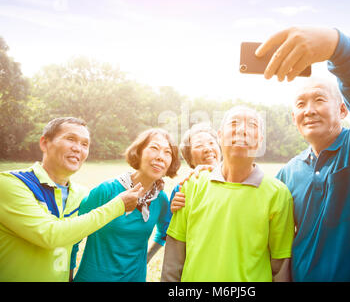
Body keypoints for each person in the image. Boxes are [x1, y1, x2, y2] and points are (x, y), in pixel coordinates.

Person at [255, 26, 350, 281]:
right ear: (294, 118)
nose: (309, 110)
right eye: (301, 104)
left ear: (343, 110)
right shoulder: (287, 173)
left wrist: (337, 47)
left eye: (319, 100)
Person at [161, 106, 295, 282]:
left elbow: (281, 265)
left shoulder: (278, 194)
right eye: (234, 123)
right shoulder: (191, 185)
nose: (242, 130)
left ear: (260, 140)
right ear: (220, 135)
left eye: (252, 125)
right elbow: (174, 259)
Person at [0, 117, 141, 282]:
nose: (78, 149)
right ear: (44, 143)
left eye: (84, 144)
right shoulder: (10, 184)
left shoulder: (81, 194)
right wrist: (118, 206)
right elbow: (50, 235)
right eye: (70, 139)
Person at [71, 128, 181, 282]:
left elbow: (164, 233)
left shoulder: (161, 199)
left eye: (167, 152)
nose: (160, 157)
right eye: (154, 148)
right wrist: (68, 275)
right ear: (139, 152)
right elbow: (73, 235)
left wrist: (145, 259)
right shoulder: (106, 190)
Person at [169, 122, 221, 214]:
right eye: (199, 145)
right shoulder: (182, 189)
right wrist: (174, 213)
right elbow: (168, 226)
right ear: (190, 159)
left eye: (211, 143)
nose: (208, 149)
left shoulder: (235, 179)